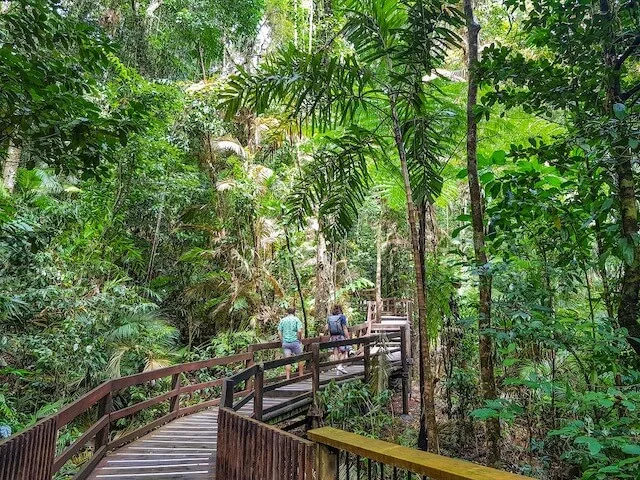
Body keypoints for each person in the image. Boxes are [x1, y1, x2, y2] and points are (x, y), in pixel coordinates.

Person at [278, 306, 304, 380]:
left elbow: (279, 332)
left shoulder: (283, 320)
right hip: (295, 342)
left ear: (287, 312)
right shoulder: (296, 320)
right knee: (300, 358)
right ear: (294, 312)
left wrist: (282, 341)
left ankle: (287, 378)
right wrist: (299, 339)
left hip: (286, 343)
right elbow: (299, 331)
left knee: (287, 360)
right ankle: (301, 376)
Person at [326, 304, 349, 375]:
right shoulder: (342, 317)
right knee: (344, 351)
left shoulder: (329, 318)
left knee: (335, 353)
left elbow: (327, 328)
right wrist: (347, 337)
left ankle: (338, 369)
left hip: (333, 337)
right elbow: (344, 327)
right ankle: (340, 366)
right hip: (340, 336)